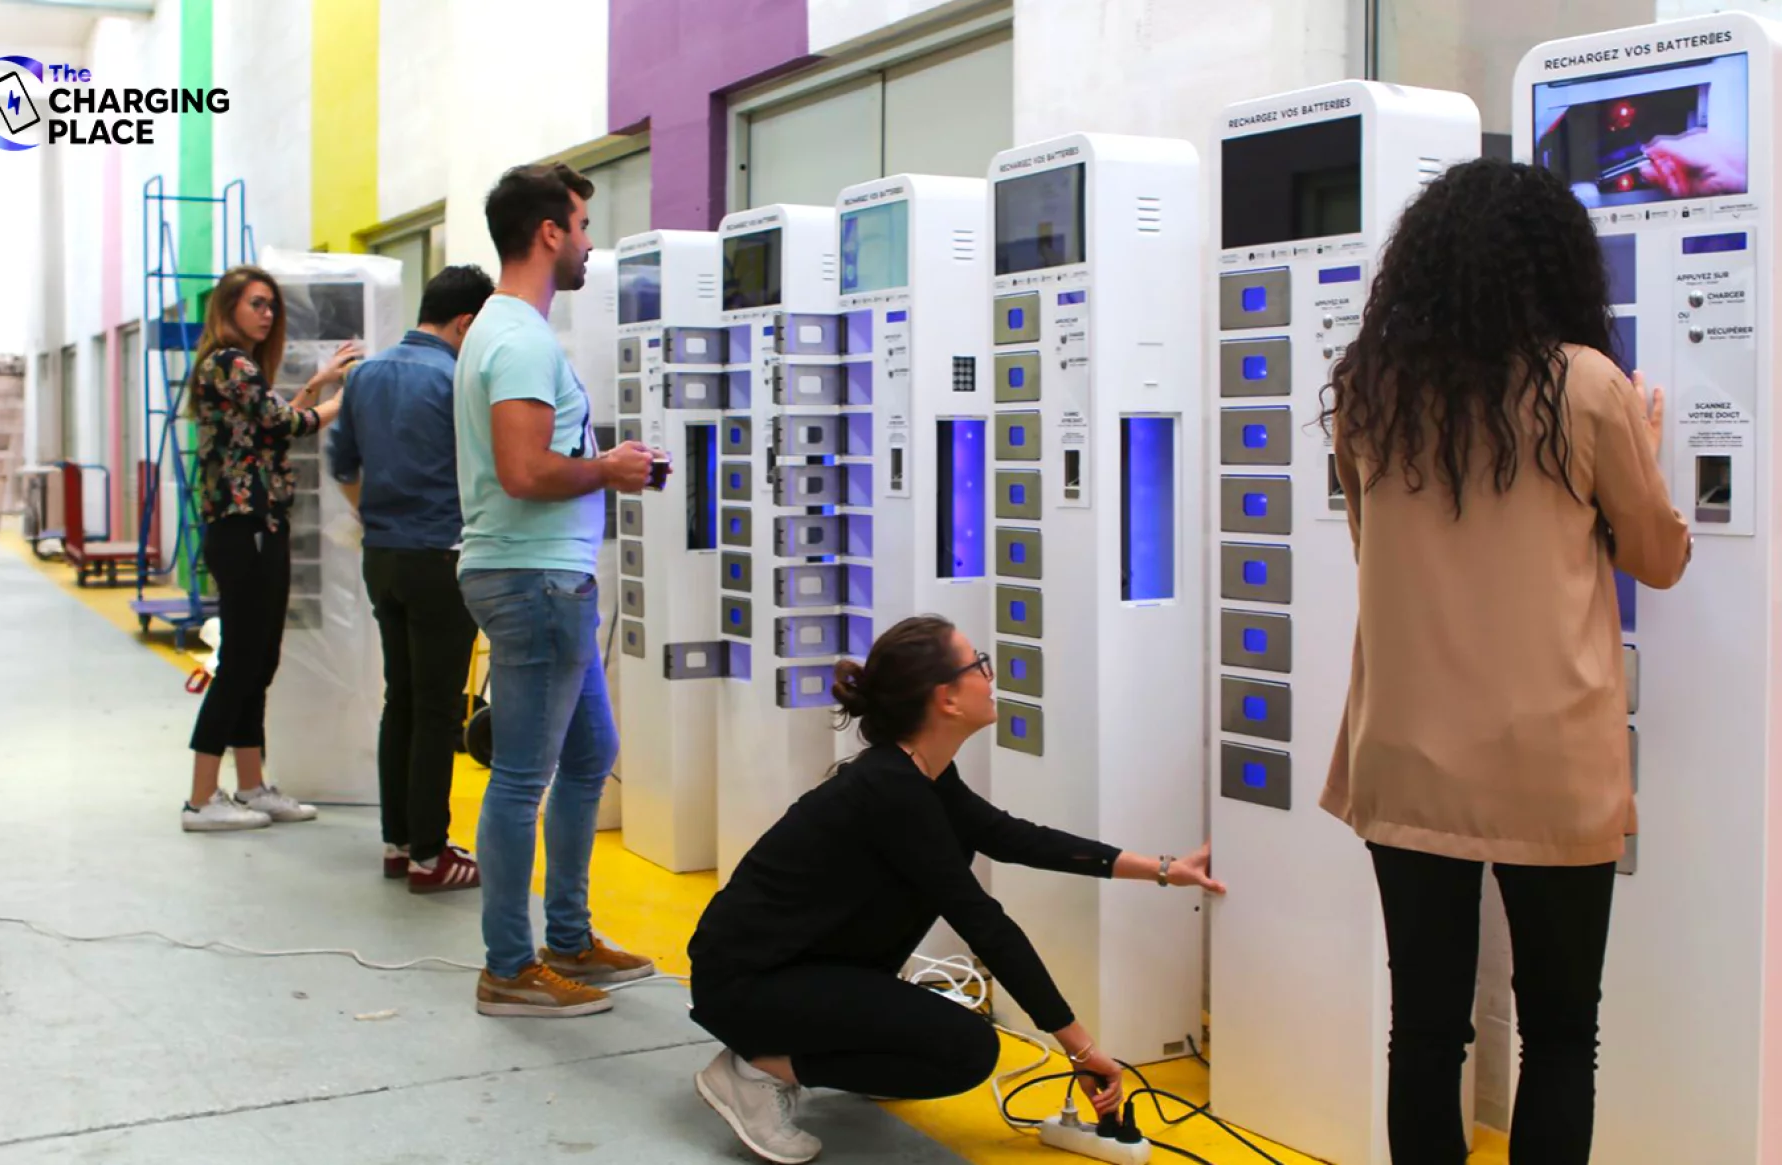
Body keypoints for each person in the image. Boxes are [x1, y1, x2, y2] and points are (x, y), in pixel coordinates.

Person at [1318, 158, 1691, 1165]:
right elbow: (1658, 558)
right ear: (1554, 264)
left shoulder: (1367, 392)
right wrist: (1647, 447)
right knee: (1563, 1030)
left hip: (1405, 747)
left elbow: (1374, 554)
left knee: (1425, 1030)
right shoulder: (1591, 386)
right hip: (1550, 759)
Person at [686, 616, 1225, 1165]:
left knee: (932, 1032)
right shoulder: (892, 792)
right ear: (946, 697)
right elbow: (983, 923)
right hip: (746, 983)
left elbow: (1012, 837)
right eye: (979, 665)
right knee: (967, 1051)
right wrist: (1082, 1049)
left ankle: (814, 1049)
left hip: (798, 967)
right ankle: (757, 1070)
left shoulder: (920, 773)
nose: (991, 677)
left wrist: (1166, 868)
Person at [455, 162, 659, 1017]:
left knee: (587, 757)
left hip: (545, 576)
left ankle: (568, 936)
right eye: (580, 225)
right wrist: (608, 468)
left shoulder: (506, 332)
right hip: (536, 579)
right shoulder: (522, 340)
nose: (587, 243)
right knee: (522, 778)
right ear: (548, 233)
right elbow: (525, 468)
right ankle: (509, 964)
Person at [326, 264, 495, 891]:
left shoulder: (364, 375)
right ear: (466, 322)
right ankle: (431, 853)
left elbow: (341, 462)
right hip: (441, 558)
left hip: (383, 556)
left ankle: (398, 842)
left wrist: (377, 516)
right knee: (436, 711)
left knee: (400, 701)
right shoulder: (458, 382)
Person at [182, 265, 358, 831]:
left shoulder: (239, 369)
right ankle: (201, 798)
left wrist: (322, 383)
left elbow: (270, 420)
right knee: (239, 663)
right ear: (229, 306)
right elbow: (288, 423)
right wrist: (345, 400)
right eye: (257, 304)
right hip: (245, 528)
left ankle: (252, 785)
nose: (267, 314)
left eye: (272, 307)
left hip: (257, 527)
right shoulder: (228, 362)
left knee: (258, 660)